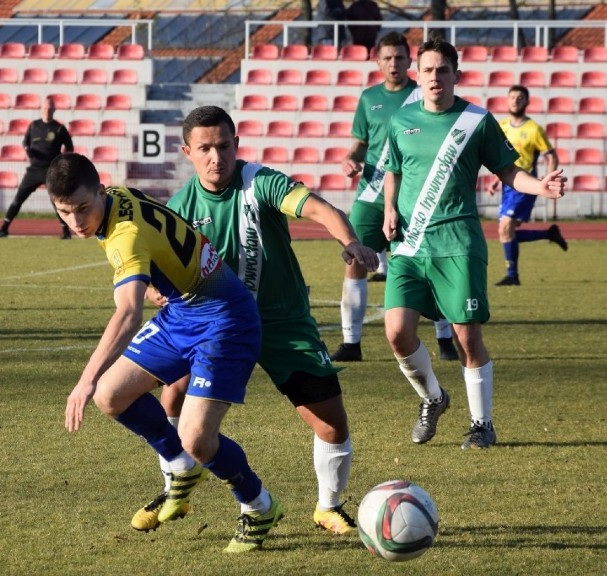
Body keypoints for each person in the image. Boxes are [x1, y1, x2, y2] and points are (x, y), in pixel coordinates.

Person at [130, 105, 379, 537]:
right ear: (187, 151)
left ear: (236, 145)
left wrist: (351, 241)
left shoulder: (260, 182)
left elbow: (318, 208)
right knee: (171, 398)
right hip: (218, 327)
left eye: (224, 146)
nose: (216, 157)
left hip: (282, 323)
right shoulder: (180, 207)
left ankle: (328, 507)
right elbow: (158, 268)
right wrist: (157, 287)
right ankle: (177, 487)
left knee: (331, 422)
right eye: (205, 148)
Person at [46, 152, 282, 553]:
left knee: (197, 437)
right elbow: (160, 227)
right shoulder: (117, 197)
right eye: (64, 212)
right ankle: (179, 466)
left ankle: (258, 507)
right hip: (183, 311)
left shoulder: (124, 236)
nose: (76, 221)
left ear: (100, 191)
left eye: (83, 209)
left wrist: (83, 380)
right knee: (111, 394)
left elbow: (127, 314)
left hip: (226, 318)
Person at [381, 38, 566, 449]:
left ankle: (482, 424)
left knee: (467, 336)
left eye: (442, 70)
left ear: (455, 76)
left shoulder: (476, 121)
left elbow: (508, 170)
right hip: (410, 245)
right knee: (396, 332)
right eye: (427, 70)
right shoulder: (400, 120)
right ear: (418, 74)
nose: (434, 77)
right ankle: (433, 398)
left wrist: (542, 186)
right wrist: (389, 209)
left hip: (458, 242)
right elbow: (392, 169)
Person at [331, 31, 459, 364]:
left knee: (431, 264)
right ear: (377, 61)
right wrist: (352, 158)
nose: (394, 64)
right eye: (387, 58)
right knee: (356, 258)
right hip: (371, 194)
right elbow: (360, 142)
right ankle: (351, 343)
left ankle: (445, 339)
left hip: (416, 195)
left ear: (410, 63)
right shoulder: (368, 98)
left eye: (400, 58)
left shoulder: (425, 95)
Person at [490, 84, 568, 286]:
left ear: (527, 102)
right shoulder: (502, 126)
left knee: (505, 227)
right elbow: (500, 160)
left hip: (524, 186)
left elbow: (551, 155)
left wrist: (547, 180)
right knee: (506, 232)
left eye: (520, 97)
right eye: (512, 97)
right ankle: (548, 234)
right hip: (508, 185)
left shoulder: (534, 129)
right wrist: (495, 181)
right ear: (507, 101)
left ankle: (512, 275)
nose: (515, 100)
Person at [0, 96, 74, 239]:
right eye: (45, 108)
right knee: (18, 199)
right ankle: (4, 228)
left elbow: (70, 148)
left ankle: (66, 232)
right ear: (41, 109)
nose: (47, 110)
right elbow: (25, 142)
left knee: (56, 201)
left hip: (51, 171)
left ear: (54, 110)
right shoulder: (34, 126)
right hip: (34, 170)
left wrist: (62, 162)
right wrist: (28, 150)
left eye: (49, 108)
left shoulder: (59, 128)